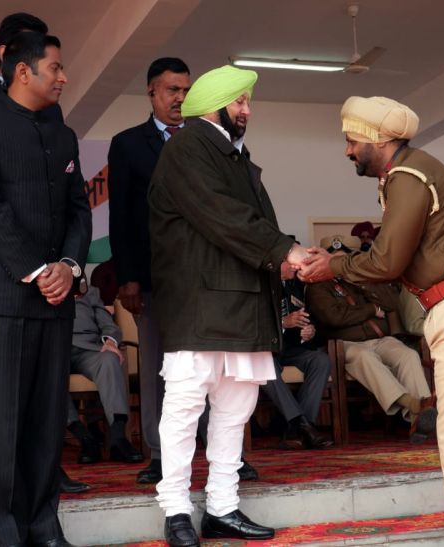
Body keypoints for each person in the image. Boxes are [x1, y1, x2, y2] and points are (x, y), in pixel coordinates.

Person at [298, 96, 444, 547]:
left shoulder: (407, 175)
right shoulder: (407, 172)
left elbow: (387, 262)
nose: (347, 150)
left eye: (351, 140)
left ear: (379, 139)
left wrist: (335, 266)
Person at [148, 65, 311, 546]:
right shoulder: (187, 147)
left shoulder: (233, 153)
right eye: (239, 102)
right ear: (213, 106)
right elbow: (223, 216)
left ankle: (222, 505)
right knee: (184, 409)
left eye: (247, 101)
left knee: (234, 410)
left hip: (241, 301)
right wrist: (284, 250)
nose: (247, 110)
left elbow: (248, 222)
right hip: (200, 303)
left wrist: (280, 257)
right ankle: (176, 510)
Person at [0, 30, 91, 546]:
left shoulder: (64, 135)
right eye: (55, 67)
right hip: (4, 293)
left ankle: (43, 522)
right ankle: (6, 530)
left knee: (47, 416)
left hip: (56, 296)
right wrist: (38, 268)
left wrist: (70, 266)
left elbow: (79, 209)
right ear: (23, 70)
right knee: (3, 418)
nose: (64, 76)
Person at [107, 57, 191, 484]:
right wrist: (128, 278)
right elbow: (120, 218)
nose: (180, 99)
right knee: (160, 368)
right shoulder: (127, 144)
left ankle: (217, 452)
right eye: (172, 90)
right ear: (152, 92)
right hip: (153, 278)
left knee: (206, 367)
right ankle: (159, 455)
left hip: (201, 280)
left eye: (185, 91)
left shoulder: (204, 139)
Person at [306, 236, 436, 444]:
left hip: (380, 340)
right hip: (345, 344)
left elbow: (390, 303)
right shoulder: (318, 286)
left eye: (344, 258)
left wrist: (360, 282)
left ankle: (419, 417)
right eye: (334, 258)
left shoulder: (362, 280)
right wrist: (369, 310)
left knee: (407, 355)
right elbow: (334, 317)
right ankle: (413, 405)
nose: (339, 263)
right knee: (365, 357)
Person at [66, 282, 143, 464]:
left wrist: (109, 341)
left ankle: (118, 438)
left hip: (90, 349)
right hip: (55, 350)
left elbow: (108, 324)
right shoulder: (41, 289)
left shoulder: (91, 292)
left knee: (110, 358)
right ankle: (86, 439)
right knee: (47, 370)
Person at [263, 260, 333, 449]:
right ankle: (303, 426)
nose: (296, 267)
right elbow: (254, 322)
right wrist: (284, 323)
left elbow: (307, 318)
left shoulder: (296, 285)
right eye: (290, 263)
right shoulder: (261, 283)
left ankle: (298, 430)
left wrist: (309, 331)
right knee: (265, 366)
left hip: (291, 348)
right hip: (267, 348)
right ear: (277, 263)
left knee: (321, 360)